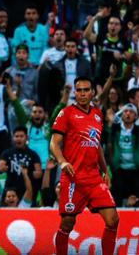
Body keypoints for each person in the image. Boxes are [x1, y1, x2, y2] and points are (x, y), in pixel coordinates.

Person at [50, 76, 119, 255]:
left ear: (92, 92)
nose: (82, 94)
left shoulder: (97, 115)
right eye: (79, 90)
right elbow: (54, 143)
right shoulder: (66, 114)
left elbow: (97, 146)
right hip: (73, 179)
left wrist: (105, 170)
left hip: (94, 178)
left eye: (86, 90)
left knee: (113, 220)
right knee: (67, 223)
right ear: (75, 92)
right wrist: (62, 161)